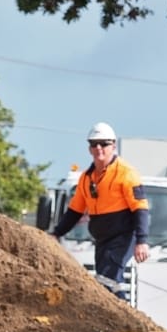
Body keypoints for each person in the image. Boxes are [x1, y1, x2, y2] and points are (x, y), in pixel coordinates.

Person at [53, 122, 150, 294]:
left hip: (123, 236)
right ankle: (122, 314)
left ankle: (121, 317)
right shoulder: (85, 178)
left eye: (104, 143)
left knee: (107, 281)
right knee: (106, 284)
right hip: (102, 239)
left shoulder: (126, 173)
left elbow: (140, 208)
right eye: (94, 144)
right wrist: (56, 234)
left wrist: (142, 241)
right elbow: (75, 211)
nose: (99, 148)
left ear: (113, 145)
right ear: (89, 148)